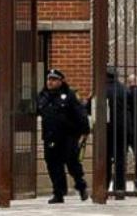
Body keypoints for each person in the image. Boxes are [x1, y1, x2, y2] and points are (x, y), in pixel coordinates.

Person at [37, 69, 89, 205]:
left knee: (72, 163)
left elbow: (80, 113)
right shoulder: (43, 95)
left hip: (68, 136)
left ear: (61, 81)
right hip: (50, 137)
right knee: (53, 164)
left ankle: (81, 185)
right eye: (49, 79)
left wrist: (85, 130)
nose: (50, 82)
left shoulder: (69, 95)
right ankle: (58, 193)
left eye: (54, 80)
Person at [105, 67, 130, 197]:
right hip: (122, 129)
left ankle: (103, 188)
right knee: (120, 159)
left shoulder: (101, 89)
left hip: (105, 129)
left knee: (105, 159)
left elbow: (90, 108)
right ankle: (119, 189)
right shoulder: (124, 90)